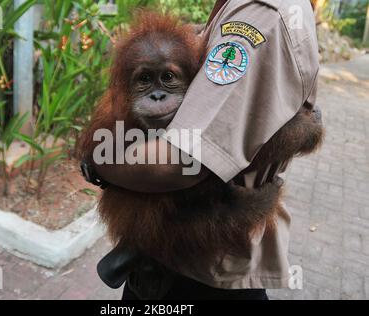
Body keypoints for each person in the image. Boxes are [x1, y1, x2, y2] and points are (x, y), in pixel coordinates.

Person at [92, 0, 320, 300]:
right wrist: (299, 131)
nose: (158, 95)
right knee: (255, 202)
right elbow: (198, 158)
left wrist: (99, 163)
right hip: (180, 252)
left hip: (201, 276)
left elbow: (201, 153)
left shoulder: (263, 12)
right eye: (145, 80)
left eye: (168, 78)